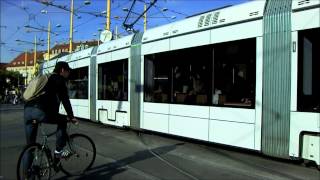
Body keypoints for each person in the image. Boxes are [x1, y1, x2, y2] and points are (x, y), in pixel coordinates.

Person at [24, 61, 78, 159]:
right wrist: (71, 117)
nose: (68, 73)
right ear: (62, 70)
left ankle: (27, 174)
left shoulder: (45, 78)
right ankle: (58, 151)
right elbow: (65, 101)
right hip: (40, 111)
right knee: (63, 121)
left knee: (29, 147)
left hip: (27, 110)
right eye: (68, 71)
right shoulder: (59, 80)